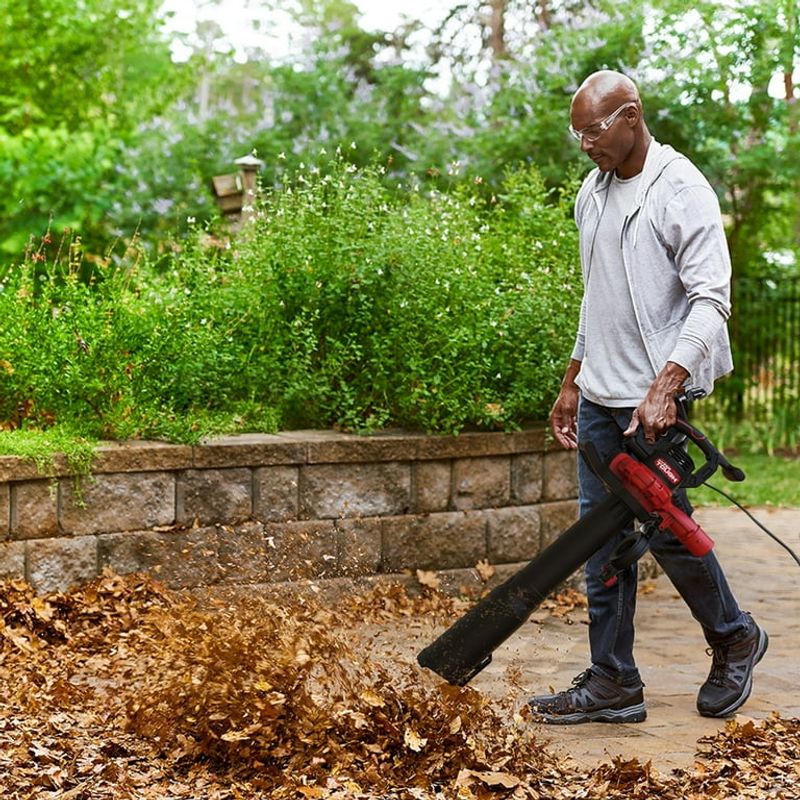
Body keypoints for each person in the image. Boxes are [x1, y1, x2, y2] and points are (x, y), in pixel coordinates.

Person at [528, 70, 768, 724]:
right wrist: (572, 381)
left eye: (594, 130)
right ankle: (613, 679)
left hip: (651, 408)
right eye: (577, 134)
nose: (585, 145)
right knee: (601, 545)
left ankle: (734, 636)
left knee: (668, 533)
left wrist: (667, 385)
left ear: (631, 116)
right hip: (600, 402)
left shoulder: (680, 189)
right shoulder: (593, 192)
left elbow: (712, 298)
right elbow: (597, 297)